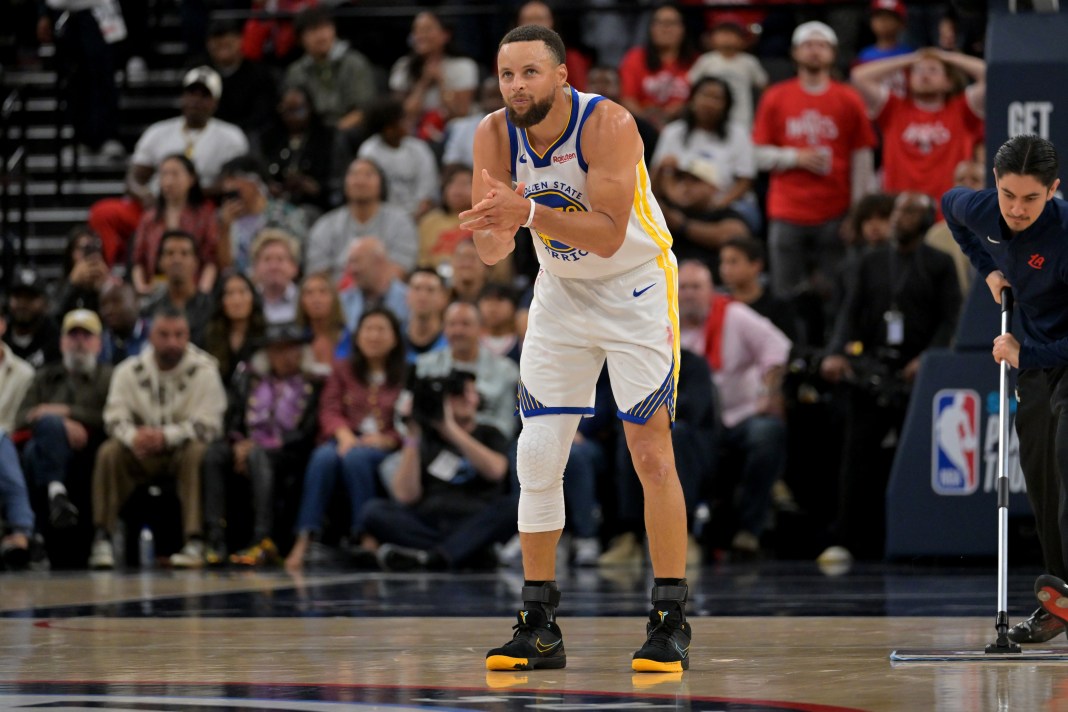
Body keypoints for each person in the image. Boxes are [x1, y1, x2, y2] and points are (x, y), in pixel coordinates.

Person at [459, 24, 691, 673]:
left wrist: (525, 214)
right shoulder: (491, 134)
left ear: (562, 75)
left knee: (650, 452)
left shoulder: (607, 123)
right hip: (559, 290)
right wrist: (490, 231)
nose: (516, 87)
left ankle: (670, 618)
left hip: (635, 287)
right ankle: (538, 624)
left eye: (530, 73)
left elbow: (611, 235)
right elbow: (494, 247)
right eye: (507, 75)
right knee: (536, 452)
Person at [942, 135, 1068, 643]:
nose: (1017, 209)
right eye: (1008, 194)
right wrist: (990, 270)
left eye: (1031, 199)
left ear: (1054, 191)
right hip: (1036, 361)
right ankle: (1060, 600)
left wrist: (1024, 354)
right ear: (995, 183)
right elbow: (949, 207)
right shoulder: (983, 209)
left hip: (1050, 353)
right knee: (1041, 476)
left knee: (1066, 453)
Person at [821, 191, 961, 563]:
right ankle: (847, 538)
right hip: (873, 368)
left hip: (920, 373)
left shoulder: (939, 263)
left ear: (927, 218)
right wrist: (837, 351)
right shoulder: (868, 262)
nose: (899, 218)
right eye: (898, 211)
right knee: (857, 454)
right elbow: (849, 313)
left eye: (909, 211)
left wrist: (929, 358)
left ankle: (924, 537)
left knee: (920, 457)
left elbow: (950, 318)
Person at [752, 21, 877, 323]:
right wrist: (795, 157)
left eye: (821, 45)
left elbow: (862, 158)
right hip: (787, 211)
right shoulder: (776, 96)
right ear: (795, 53)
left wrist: (858, 214)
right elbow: (756, 155)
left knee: (838, 293)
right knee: (786, 295)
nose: (814, 51)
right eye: (808, 44)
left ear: (833, 53)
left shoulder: (848, 98)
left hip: (835, 212)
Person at [89, 306, 227, 569]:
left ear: (188, 335)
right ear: (151, 336)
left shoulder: (206, 370)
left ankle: (195, 540)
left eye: (179, 334)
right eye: (164, 334)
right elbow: (113, 417)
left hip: (180, 453)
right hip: (140, 454)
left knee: (199, 451)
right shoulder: (128, 371)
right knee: (110, 451)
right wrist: (133, 437)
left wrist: (167, 436)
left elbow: (211, 425)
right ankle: (102, 538)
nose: (172, 342)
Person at [678, 260, 790, 555]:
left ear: (711, 290)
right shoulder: (665, 324)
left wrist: (768, 390)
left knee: (767, 432)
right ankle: (681, 535)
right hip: (696, 423)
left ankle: (749, 528)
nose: (689, 294)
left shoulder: (734, 315)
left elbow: (777, 347)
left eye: (696, 287)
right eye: (683, 287)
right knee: (673, 437)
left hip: (740, 415)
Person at [87, 66, 248, 266]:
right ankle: (107, 270)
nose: (196, 100)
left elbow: (231, 184)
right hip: (157, 206)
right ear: (183, 96)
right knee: (103, 213)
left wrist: (187, 194)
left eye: (204, 95)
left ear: (215, 102)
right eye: (191, 93)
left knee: (219, 219)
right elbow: (134, 177)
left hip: (202, 209)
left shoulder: (231, 137)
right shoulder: (158, 132)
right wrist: (145, 196)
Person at [285, 308, 406, 571]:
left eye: (381, 329)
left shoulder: (405, 373)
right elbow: (329, 408)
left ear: (395, 338)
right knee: (322, 457)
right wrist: (343, 434)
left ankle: (366, 535)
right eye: (368, 329)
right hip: (345, 437)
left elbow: (409, 419)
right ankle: (305, 536)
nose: (374, 336)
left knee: (357, 459)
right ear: (357, 336)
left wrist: (388, 439)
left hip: (384, 444)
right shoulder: (343, 370)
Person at [363, 369, 517, 572]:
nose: (466, 399)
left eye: (471, 392)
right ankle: (464, 552)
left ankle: (434, 556)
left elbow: (496, 470)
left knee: (514, 507)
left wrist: (450, 429)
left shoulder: (490, 433)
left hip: (475, 517)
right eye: (457, 394)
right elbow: (405, 496)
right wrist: (413, 434)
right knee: (373, 511)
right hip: (431, 520)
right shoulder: (427, 439)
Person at [202, 321, 321, 566]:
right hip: (249, 444)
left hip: (289, 453)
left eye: (292, 349)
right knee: (214, 454)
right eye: (278, 350)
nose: (285, 356)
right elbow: (234, 418)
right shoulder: (250, 379)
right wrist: (237, 444)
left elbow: (308, 431)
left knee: (259, 457)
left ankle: (263, 538)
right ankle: (214, 537)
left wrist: (268, 445)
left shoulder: (314, 383)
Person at [16, 310, 112, 542]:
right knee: (36, 444)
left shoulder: (110, 376)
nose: (79, 342)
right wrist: (60, 425)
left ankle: (34, 534)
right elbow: (21, 418)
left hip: (91, 449)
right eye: (73, 335)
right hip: (51, 449)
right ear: (62, 342)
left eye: (86, 336)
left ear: (99, 344)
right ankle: (56, 494)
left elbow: (110, 417)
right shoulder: (44, 376)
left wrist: (66, 412)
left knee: (37, 445)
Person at [851, 47, 985, 210]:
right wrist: (911, 58)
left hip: (949, 211)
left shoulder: (963, 110)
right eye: (918, 70)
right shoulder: (892, 108)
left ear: (949, 82)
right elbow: (859, 76)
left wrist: (946, 57)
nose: (924, 74)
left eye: (933, 70)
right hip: (900, 210)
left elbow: (990, 75)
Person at [415, 301, 519, 440]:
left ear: (481, 329)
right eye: (452, 324)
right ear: (444, 329)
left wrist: (467, 427)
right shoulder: (425, 365)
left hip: (485, 445)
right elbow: (407, 416)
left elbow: (506, 426)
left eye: (465, 324)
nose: (458, 331)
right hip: (434, 442)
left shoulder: (506, 370)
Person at [306, 158, 419, 283]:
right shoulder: (325, 225)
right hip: (337, 297)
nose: (360, 181)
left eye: (368, 175)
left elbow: (401, 268)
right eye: (354, 175)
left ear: (381, 183)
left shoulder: (401, 223)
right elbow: (318, 274)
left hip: (386, 296)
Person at [130, 154, 218, 296]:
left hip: (194, 290)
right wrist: (141, 287)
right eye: (164, 175)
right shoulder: (149, 218)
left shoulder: (205, 215)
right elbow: (138, 260)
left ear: (191, 179)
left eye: (175, 174)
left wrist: (202, 292)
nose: (169, 181)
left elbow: (210, 260)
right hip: (156, 290)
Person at [389, 10, 480, 144]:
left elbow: (460, 113)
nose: (420, 36)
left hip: (451, 135)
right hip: (414, 133)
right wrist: (424, 83)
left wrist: (441, 82)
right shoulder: (403, 66)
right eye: (416, 30)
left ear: (445, 35)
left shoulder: (463, 66)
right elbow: (403, 115)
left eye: (427, 30)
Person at [283, 5, 376, 133]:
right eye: (313, 30)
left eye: (325, 28)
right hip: (311, 133)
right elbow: (293, 111)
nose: (321, 36)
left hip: (348, 132)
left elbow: (364, 110)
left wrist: (334, 133)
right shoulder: (296, 71)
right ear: (300, 39)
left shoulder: (354, 63)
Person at [216, 154, 308, 275]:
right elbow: (225, 268)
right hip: (238, 287)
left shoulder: (287, 215)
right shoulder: (222, 218)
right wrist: (225, 228)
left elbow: (296, 260)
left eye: (233, 179)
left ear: (254, 182)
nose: (227, 187)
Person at [357, 99, 441, 221]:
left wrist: (415, 216)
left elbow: (427, 191)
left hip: (419, 217)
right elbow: (369, 192)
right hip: (382, 218)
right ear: (388, 128)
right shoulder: (369, 151)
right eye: (402, 120)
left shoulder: (419, 149)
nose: (408, 123)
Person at [256, 87, 336, 215]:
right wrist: (270, 187)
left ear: (310, 108)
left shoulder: (327, 138)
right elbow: (260, 173)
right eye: (286, 111)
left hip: (314, 205)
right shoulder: (269, 137)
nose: (291, 117)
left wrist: (313, 187)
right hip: (274, 203)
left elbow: (336, 181)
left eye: (298, 111)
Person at [618, 4, 698, 129]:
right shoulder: (635, 57)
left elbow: (700, 101)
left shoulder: (696, 61)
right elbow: (627, 100)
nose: (665, 28)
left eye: (671, 23)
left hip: (685, 126)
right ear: (651, 29)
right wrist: (648, 122)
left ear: (683, 29)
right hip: (642, 128)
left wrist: (680, 109)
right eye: (660, 23)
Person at [686, 15, 767, 130]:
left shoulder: (749, 62)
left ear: (743, 39)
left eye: (733, 33)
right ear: (711, 38)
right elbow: (690, 84)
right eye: (722, 32)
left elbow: (765, 87)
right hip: (712, 118)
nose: (727, 37)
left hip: (742, 120)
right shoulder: (706, 60)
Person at [0, 312, 35, 568]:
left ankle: (21, 531)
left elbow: (25, 418)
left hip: (12, 442)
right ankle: (22, 532)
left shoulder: (24, 372)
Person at [141, 230, 215, 345]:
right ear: (160, 262)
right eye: (170, 253)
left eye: (184, 253)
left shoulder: (213, 308)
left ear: (195, 262)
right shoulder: (148, 310)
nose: (177, 260)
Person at [202, 271, 267, 386]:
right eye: (229, 293)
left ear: (253, 297)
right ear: (221, 301)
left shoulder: (265, 334)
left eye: (242, 292)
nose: (236, 300)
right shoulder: (209, 336)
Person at [338, 237, 410, 333]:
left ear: (378, 262)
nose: (351, 270)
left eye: (356, 261)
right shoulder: (342, 302)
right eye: (350, 263)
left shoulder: (409, 300)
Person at [296, 272, 350, 378]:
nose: (316, 299)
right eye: (309, 293)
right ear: (301, 301)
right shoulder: (295, 339)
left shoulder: (348, 337)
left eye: (323, 292)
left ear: (334, 298)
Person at [4, 268, 61, 368]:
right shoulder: (2, 336)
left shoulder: (55, 340)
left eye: (30, 297)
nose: (22, 304)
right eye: (18, 297)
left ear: (45, 303)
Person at [54, 226, 111, 318]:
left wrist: (105, 288)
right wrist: (71, 283)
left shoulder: (107, 283)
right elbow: (52, 318)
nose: (87, 255)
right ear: (70, 254)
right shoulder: (59, 287)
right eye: (82, 248)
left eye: (92, 249)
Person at [250, 229, 302, 325]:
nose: (274, 266)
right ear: (255, 268)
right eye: (267, 259)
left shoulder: (305, 301)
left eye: (280, 259)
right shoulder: (247, 303)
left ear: (294, 267)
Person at [403, 268, 449, 363]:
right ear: (406, 296)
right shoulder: (394, 339)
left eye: (430, 290)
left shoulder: (452, 340)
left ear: (443, 298)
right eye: (417, 288)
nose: (422, 296)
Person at [98, 281, 149, 366]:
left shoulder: (155, 333)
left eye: (116, 301)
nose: (109, 310)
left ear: (136, 302)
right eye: (104, 304)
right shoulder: (100, 342)